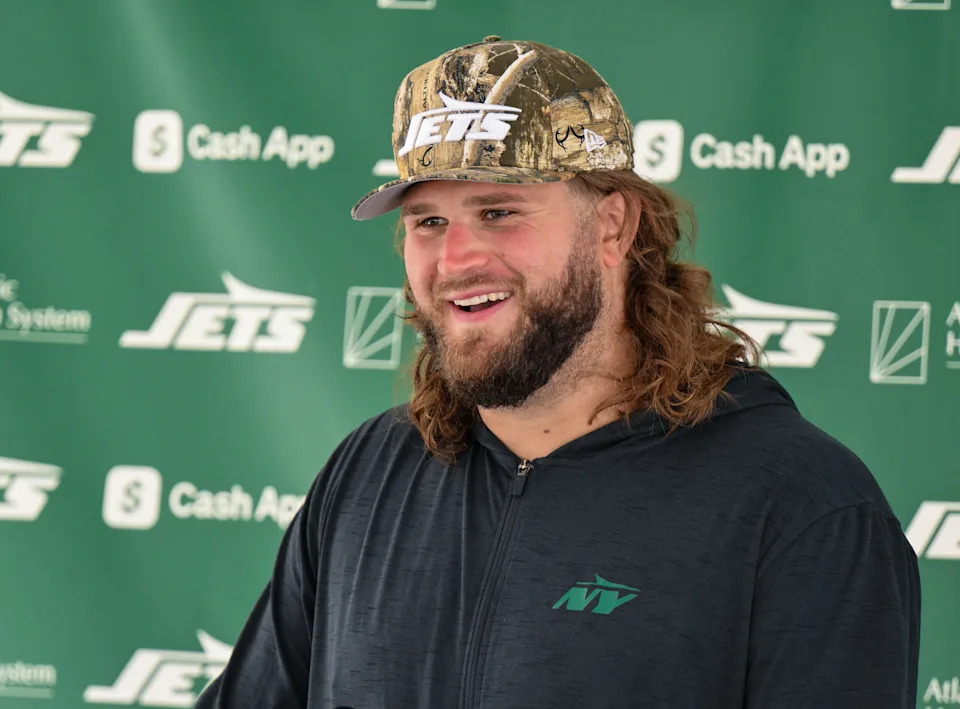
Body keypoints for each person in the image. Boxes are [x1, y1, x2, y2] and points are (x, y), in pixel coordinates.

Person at [195, 36, 921, 708]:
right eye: (428, 222)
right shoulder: (367, 476)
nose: (456, 261)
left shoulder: (800, 504)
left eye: (500, 209)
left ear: (613, 226)